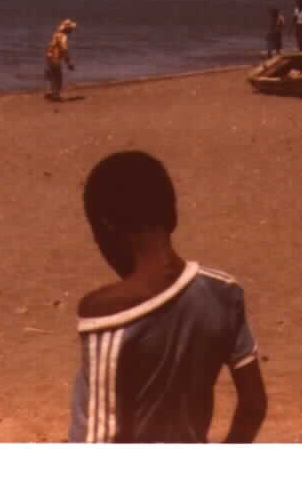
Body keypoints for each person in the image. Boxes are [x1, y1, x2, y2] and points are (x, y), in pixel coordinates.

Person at [68, 151, 267, 443]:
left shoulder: (106, 311)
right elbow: (253, 405)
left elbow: (99, 438)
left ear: (106, 227)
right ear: (172, 216)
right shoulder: (223, 292)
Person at [45, 19, 77, 101]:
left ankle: (53, 93)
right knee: (58, 77)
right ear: (68, 29)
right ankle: (56, 96)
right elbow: (64, 49)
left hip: (49, 58)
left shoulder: (56, 35)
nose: (72, 31)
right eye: (71, 29)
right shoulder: (63, 37)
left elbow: (50, 47)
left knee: (52, 77)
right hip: (55, 58)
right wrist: (69, 62)